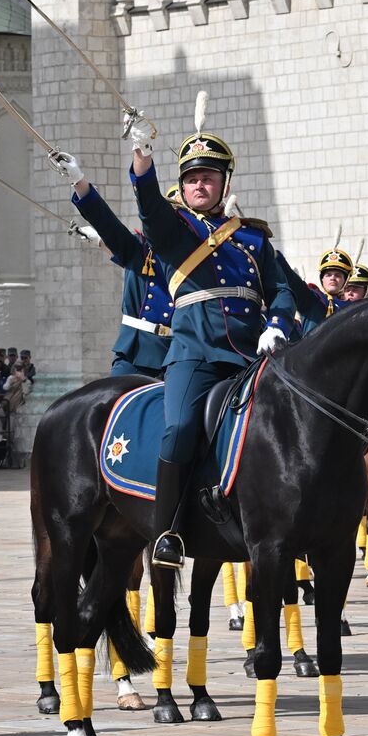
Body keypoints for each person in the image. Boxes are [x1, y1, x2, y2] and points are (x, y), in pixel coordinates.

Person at [125, 106, 296, 568]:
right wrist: (142, 154)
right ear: (183, 186)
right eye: (192, 178)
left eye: (209, 177)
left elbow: (280, 290)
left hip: (251, 358)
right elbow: (148, 205)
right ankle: (168, 532)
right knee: (180, 427)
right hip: (195, 356)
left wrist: (277, 325)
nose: (200, 184)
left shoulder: (254, 240)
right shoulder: (175, 231)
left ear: (224, 183)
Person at [52, 151, 176, 378]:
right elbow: (110, 227)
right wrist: (78, 180)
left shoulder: (194, 255)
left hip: (178, 355)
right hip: (137, 350)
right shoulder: (143, 250)